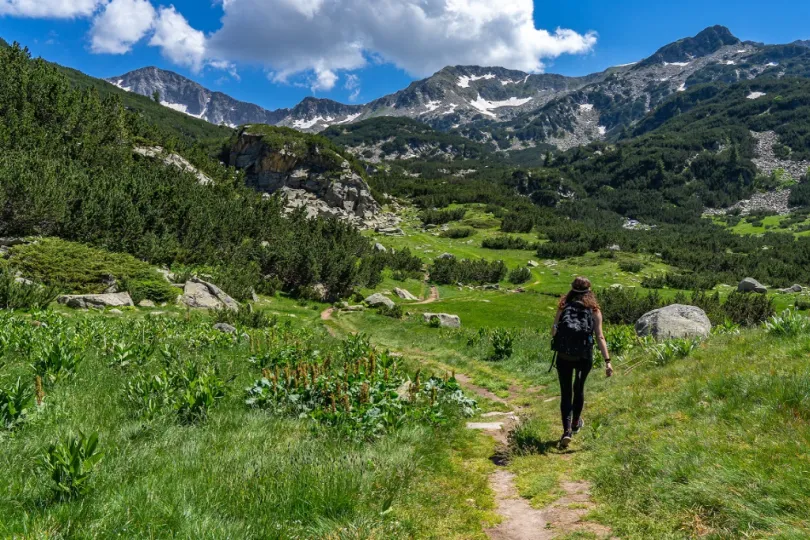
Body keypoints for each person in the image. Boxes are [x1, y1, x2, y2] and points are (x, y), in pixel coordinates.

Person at [551, 277, 612, 448]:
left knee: (565, 393)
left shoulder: (563, 306)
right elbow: (600, 336)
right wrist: (608, 361)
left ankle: (566, 431)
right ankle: (576, 422)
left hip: (564, 356)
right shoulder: (594, 309)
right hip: (584, 357)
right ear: (589, 291)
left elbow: (553, 332)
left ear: (571, 289)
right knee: (578, 388)